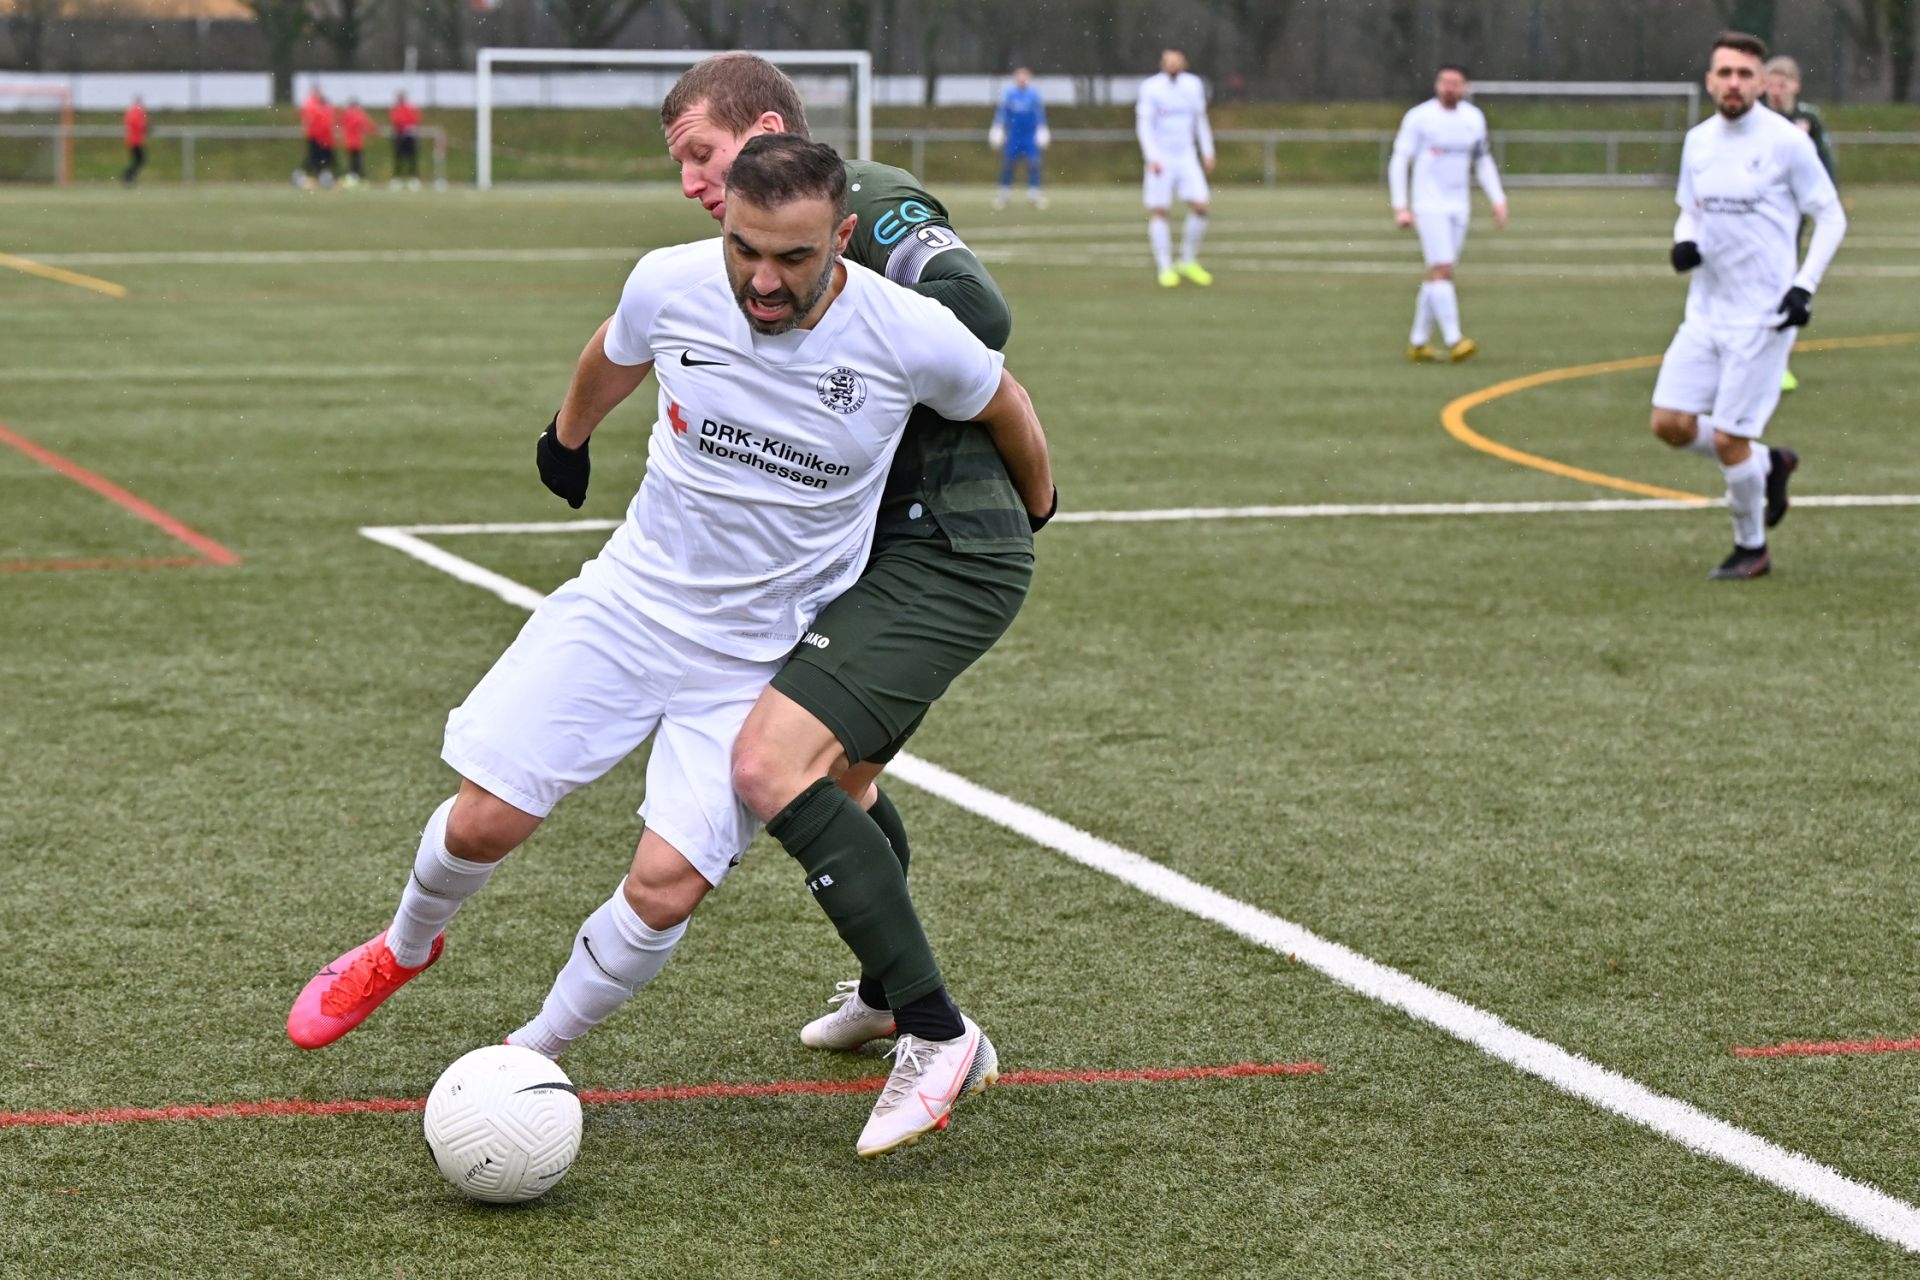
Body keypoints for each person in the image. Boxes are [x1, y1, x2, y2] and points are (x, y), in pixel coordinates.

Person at [287, 135, 1054, 1159]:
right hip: (626, 606)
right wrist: (566, 438)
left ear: (842, 239)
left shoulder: (912, 334)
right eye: (745, 251)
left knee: (663, 884)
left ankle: (530, 1054)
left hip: (759, 658)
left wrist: (1040, 508)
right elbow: (614, 351)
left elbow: (1006, 401)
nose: (762, 280)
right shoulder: (671, 281)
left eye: (792, 258)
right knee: (483, 821)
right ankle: (401, 946)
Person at [654, 54, 1052, 1141]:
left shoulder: (867, 199)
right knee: (849, 775)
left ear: (767, 128)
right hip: (885, 542)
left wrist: (879, 357)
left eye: (701, 153)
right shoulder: (749, 262)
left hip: (946, 534)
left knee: (771, 762)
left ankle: (937, 1026)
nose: (691, 183)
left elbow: (977, 310)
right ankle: (888, 996)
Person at [1650, 31, 1846, 581]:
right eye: (1725, 73)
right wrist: (1684, 238)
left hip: (1764, 317)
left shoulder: (1786, 142)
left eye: (1744, 74)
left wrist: (1803, 286)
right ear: (1710, 80)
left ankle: (1751, 547)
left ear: (1761, 82)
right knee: (1669, 423)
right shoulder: (1698, 142)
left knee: (1732, 437)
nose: (1734, 83)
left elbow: (1831, 216)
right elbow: (1690, 207)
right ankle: (1770, 463)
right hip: (1705, 312)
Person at [1388, 64, 1508, 364]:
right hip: (1428, 205)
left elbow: (1482, 161)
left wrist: (1498, 199)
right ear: (1436, 84)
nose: (1450, 87)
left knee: (1439, 273)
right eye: (1445, 81)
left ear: (1465, 86)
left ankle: (1418, 342)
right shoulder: (1419, 117)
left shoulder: (1473, 118)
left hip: (1459, 205)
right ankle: (1455, 339)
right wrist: (1400, 205)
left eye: (1456, 83)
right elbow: (1400, 161)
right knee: (1443, 269)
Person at [1763, 55, 1836, 393]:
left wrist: (1826, 200)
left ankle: (1778, 364)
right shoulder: (1756, 119)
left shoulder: (1808, 119)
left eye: (1783, 84)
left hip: (1792, 217)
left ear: (1795, 85)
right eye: (1771, 83)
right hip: (1756, 213)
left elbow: (1823, 165)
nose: (1776, 91)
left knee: (1784, 284)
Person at [1136, 49, 1215, 288]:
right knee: (1161, 210)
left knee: (1201, 206)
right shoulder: (1151, 87)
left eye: (1177, 61)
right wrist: (1152, 157)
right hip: (1161, 155)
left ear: (1184, 63)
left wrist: (1208, 150)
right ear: (1162, 64)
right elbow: (1144, 124)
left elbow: (1200, 119)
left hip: (1186, 155)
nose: (1173, 65)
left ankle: (1188, 261)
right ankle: (1165, 267)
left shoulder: (1193, 85)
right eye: (1168, 62)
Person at [990, 67, 1049, 211]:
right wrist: (998, 127)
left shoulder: (1033, 95)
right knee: (1008, 164)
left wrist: (1042, 128)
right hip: (1014, 136)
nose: (1022, 80)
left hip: (1029, 136)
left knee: (1034, 163)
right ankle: (1004, 193)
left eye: (1025, 77)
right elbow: (1003, 112)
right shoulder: (1010, 94)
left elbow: (1039, 114)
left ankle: (1034, 194)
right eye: (1019, 77)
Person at [297, 88, 335, 190]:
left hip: (319, 139)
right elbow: (322, 127)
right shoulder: (317, 109)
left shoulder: (315, 108)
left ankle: (315, 177)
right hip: (319, 139)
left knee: (317, 159)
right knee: (317, 159)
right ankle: (313, 177)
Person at [390, 91, 422, 190]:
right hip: (400, 135)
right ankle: (397, 178)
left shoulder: (410, 108)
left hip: (409, 136)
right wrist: (402, 126)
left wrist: (406, 126)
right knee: (398, 158)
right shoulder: (396, 109)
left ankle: (413, 178)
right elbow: (395, 120)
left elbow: (414, 119)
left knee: (412, 158)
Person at [339, 99, 372, 188]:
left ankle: (352, 176)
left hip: (350, 141)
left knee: (353, 160)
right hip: (356, 142)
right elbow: (366, 125)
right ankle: (355, 177)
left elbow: (343, 125)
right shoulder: (358, 114)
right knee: (357, 161)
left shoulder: (347, 114)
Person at [120, 96, 146, 186]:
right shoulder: (135, 111)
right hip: (135, 141)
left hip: (135, 140)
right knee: (139, 160)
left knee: (138, 160)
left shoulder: (134, 111)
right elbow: (135, 123)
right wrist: (144, 127)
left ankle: (129, 176)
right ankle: (127, 175)